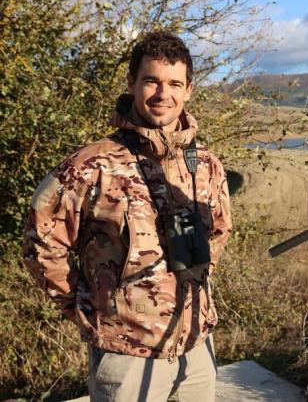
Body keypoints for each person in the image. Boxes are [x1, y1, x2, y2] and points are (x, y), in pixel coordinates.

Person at [23, 31, 232, 401]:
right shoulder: (92, 165)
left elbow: (220, 231)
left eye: (174, 83)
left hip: (196, 346)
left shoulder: (205, 165)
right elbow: (41, 241)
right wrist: (84, 308)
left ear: (188, 90)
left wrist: (199, 278)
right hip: (125, 353)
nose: (162, 93)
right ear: (132, 82)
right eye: (151, 80)